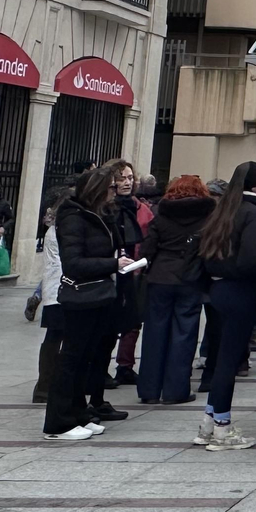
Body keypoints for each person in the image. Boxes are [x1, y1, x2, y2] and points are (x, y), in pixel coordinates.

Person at [42, 165, 131, 440]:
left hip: (100, 295)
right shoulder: (73, 217)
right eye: (110, 188)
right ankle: (58, 423)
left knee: (86, 359)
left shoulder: (98, 214)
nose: (114, 193)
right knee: (70, 359)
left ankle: (79, 413)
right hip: (81, 296)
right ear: (97, 190)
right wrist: (113, 263)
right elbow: (74, 263)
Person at [196, 160, 256, 449]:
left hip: (216, 291)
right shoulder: (253, 213)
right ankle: (222, 426)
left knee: (219, 357)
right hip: (240, 292)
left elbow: (205, 250)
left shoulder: (223, 209)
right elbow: (254, 257)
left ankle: (209, 420)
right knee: (229, 359)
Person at [135, 175, 214, 405]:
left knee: (154, 333)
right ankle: (176, 390)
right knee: (185, 334)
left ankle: (149, 389)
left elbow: (148, 248)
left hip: (161, 277)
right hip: (191, 278)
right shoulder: (208, 216)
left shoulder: (162, 213)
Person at [104, 161, 144, 387]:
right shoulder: (108, 208)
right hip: (110, 270)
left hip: (129, 270)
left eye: (130, 177)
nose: (127, 182)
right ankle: (100, 369)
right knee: (109, 322)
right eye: (121, 178)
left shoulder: (133, 206)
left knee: (131, 319)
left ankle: (124, 366)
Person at [30, 192, 67, 401]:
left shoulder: (55, 230)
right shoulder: (58, 232)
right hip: (58, 290)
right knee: (55, 338)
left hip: (55, 290)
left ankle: (45, 384)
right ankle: (45, 384)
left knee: (54, 337)